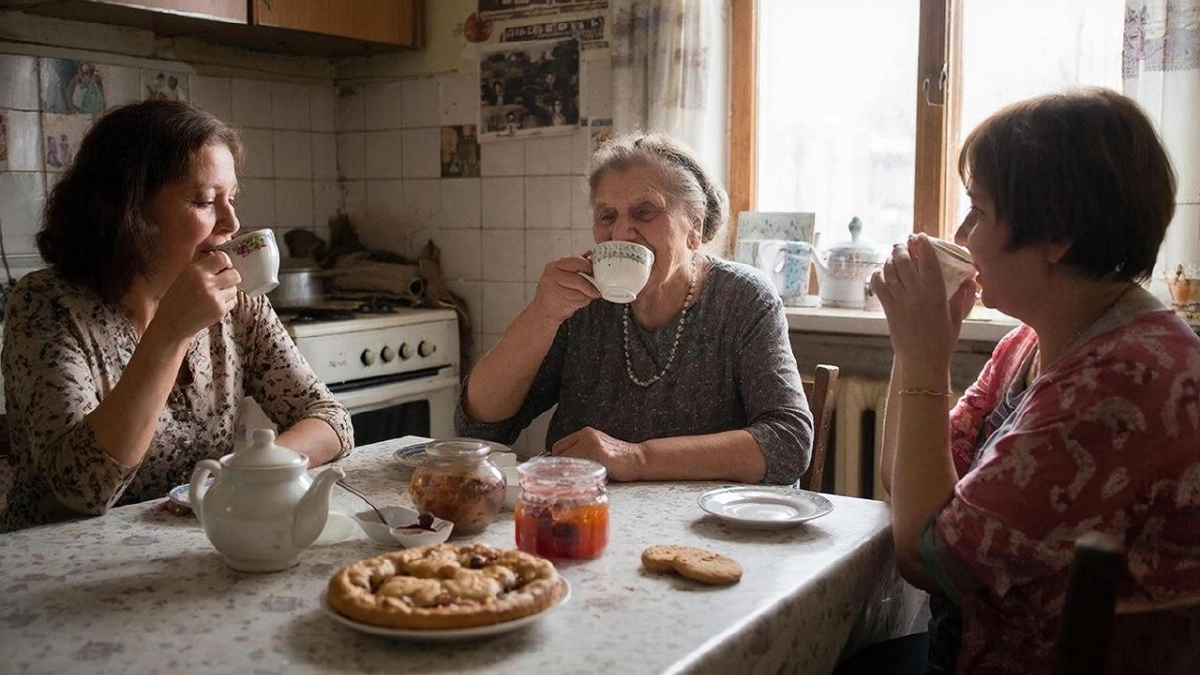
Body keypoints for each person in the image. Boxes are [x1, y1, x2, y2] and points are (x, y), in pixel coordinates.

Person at [869, 88, 1200, 673]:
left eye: (978, 210)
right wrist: (914, 343)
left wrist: (923, 357)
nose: (961, 233)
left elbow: (928, 558)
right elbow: (905, 480)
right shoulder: (1029, 343)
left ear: (1057, 237)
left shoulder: (1121, 382)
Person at [0, 100, 353, 533]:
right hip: (60, 558)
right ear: (130, 211)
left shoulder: (238, 303)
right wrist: (170, 332)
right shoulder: (46, 305)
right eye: (204, 201)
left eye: (231, 199)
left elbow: (330, 419)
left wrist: (247, 474)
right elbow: (83, 489)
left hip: (191, 545)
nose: (231, 222)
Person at [455, 132, 812, 484]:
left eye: (645, 212)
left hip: (705, 516)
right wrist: (542, 314)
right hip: (583, 508)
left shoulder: (741, 298)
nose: (622, 233)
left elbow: (788, 442)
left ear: (694, 227)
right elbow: (479, 426)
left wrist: (637, 458)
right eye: (607, 216)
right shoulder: (581, 301)